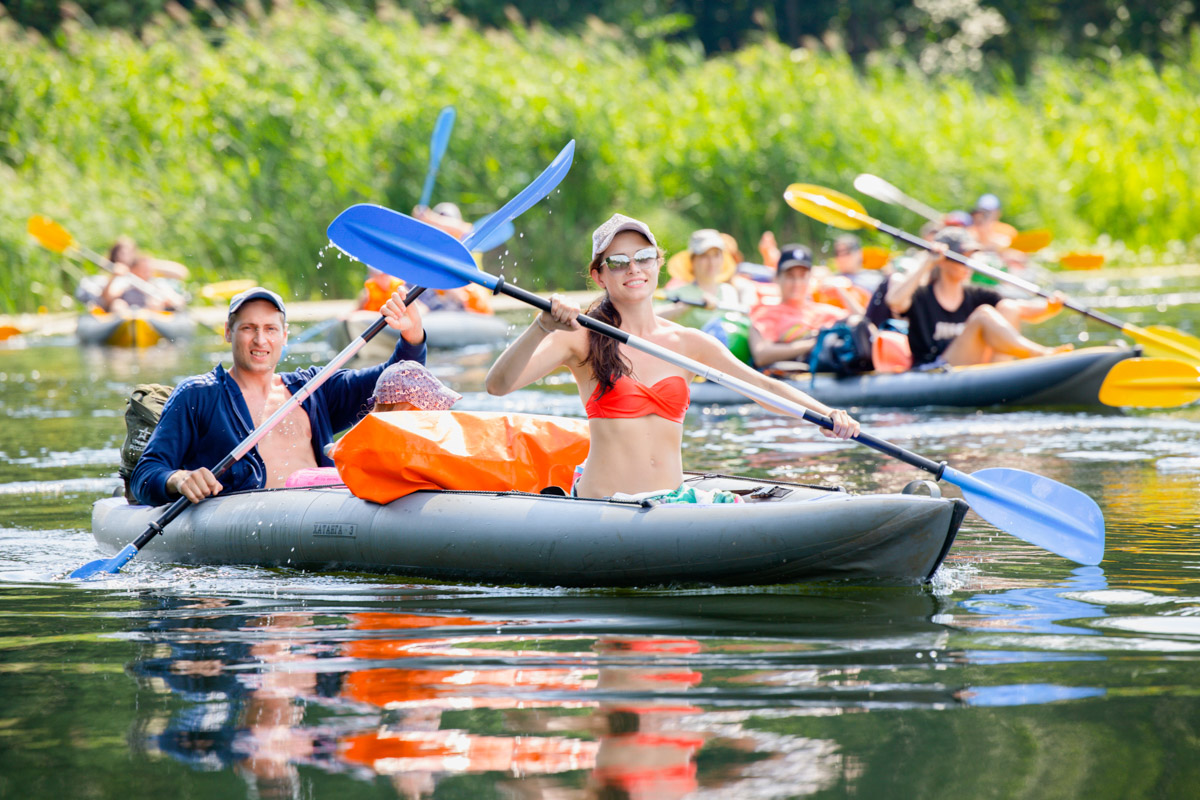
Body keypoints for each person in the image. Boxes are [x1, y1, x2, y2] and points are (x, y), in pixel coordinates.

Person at [484, 214, 859, 500]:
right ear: (599, 276)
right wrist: (541, 326)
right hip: (603, 506)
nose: (633, 268)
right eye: (618, 262)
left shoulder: (688, 342)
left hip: (671, 504)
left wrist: (825, 415)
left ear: (658, 264)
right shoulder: (580, 337)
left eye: (644, 257)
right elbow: (498, 386)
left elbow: (762, 386)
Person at [130, 286, 427, 505]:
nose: (261, 340)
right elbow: (146, 472)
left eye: (270, 329)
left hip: (323, 515)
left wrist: (411, 338)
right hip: (243, 530)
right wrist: (178, 479)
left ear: (284, 336)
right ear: (228, 332)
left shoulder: (314, 388)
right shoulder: (198, 395)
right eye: (248, 328)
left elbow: (393, 384)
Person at [885, 228, 1070, 368]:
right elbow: (894, 301)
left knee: (1008, 307)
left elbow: (1022, 309)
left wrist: (1049, 307)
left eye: (970, 257)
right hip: (934, 368)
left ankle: (1003, 371)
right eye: (962, 257)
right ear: (942, 261)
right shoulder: (922, 294)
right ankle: (1039, 354)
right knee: (983, 315)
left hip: (974, 366)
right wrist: (927, 262)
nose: (968, 264)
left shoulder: (976, 294)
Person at [285, 360, 462, 488]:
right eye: (433, 407)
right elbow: (338, 451)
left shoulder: (428, 435)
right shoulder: (373, 436)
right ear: (406, 407)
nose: (440, 412)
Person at [746, 245, 850, 370]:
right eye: (790, 276)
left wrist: (841, 292)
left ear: (810, 279)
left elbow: (864, 324)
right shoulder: (766, 314)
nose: (797, 283)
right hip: (794, 378)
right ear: (777, 278)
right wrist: (811, 344)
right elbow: (761, 354)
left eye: (802, 276)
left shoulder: (826, 311)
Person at [660, 228, 752, 318]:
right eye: (704, 256)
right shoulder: (677, 294)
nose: (711, 262)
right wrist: (688, 304)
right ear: (692, 261)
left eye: (716, 255)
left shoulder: (729, 291)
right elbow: (653, 319)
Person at [100, 254, 188, 313]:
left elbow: (178, 301)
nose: (146, 272)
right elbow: (108, 299)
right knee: (118, 304)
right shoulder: (125, 282)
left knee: (155, 303)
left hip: (149, 316)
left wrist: (168, 301)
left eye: (148, 269)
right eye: (143, 269)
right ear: (134, 269)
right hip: (127, 315)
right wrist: (113, 277)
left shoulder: (156, 284)